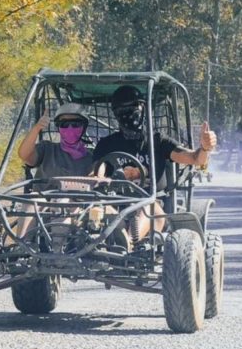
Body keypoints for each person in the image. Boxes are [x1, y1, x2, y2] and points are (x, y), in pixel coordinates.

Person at [92, 85, 217, 242]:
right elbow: (97, 172)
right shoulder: (107, 144)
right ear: (116, 114)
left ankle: (129, 241)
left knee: (148, 208)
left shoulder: (158, 141)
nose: (128, 114)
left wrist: (205, 148)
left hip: (152, 204)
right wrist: (97, 179)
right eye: (122, 110)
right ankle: (112, 239)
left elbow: (194, 159)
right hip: (116, 203)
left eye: (133, 108)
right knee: (99, 210)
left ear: (143, 108)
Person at [17, 102, 93, 178]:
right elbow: (24, 155)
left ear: (84, 127)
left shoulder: (92, 158)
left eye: (75, 124)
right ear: (58, 127)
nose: (70, 128)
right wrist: (37, 128)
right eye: (64, 124)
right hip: (45, 186)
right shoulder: (47, 149)